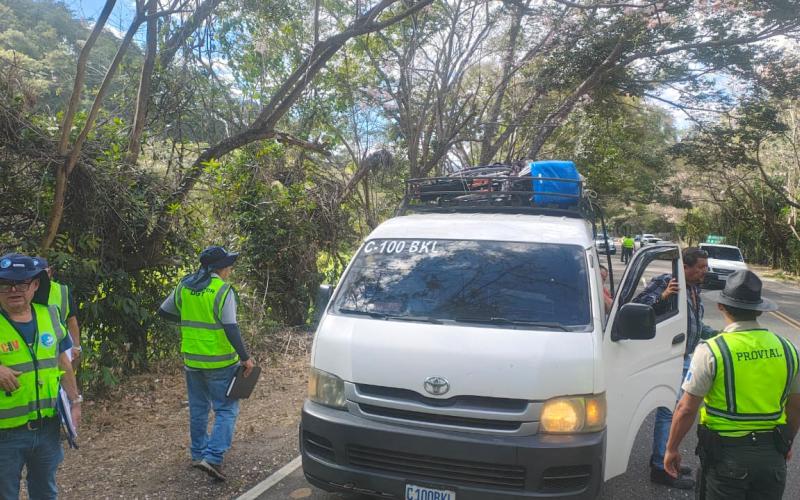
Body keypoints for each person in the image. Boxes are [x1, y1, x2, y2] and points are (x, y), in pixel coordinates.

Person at [664, 270, 800, 499]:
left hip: (727, 457)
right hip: (772, 457)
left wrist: (671, 448)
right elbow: (795, 407)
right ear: (759, 310)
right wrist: (785, 443)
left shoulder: (712, 351)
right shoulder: (788, 349)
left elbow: (686, 408)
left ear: (721, 307)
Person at [158, 246, 255, 481]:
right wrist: (245, 357)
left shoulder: (186, 286)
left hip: (192, 359)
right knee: (226, 409)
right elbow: (231, 327)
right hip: (220, 362)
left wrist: (188, 320)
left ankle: (198, 454)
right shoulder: (222, 290)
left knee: (199, 408)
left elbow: (164, 311)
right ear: (220, 268)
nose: (230, 268)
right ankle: (212, 458)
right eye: (228, 264)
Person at [0, 253, 82, 499]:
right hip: (5, 434)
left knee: (45, 491)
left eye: (22, 283)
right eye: (5, 284)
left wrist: (75, 401)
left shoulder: (50, 315)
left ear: (35, 285)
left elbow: (63, 361)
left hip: (47, 427)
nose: (14, 289)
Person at [633, 247, 716, 489]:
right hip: (670, 356)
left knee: (674, 410)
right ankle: (661, 467)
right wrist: (663, 297)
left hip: (685, 355)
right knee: (669, 411)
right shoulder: (667, 282)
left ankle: (664, 458)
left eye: (705, 266)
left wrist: (719, 335)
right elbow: (638, 307)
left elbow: (694, 324)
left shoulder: (693, 288)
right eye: (700, 267)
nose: (705, 271)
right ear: (685, 267)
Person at [32, 257, 82, 370]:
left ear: (49, 272)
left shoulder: (62, 291)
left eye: (41, 273)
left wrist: (76, 346)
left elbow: (71, 320)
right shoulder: (26, 291)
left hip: (61, 340)